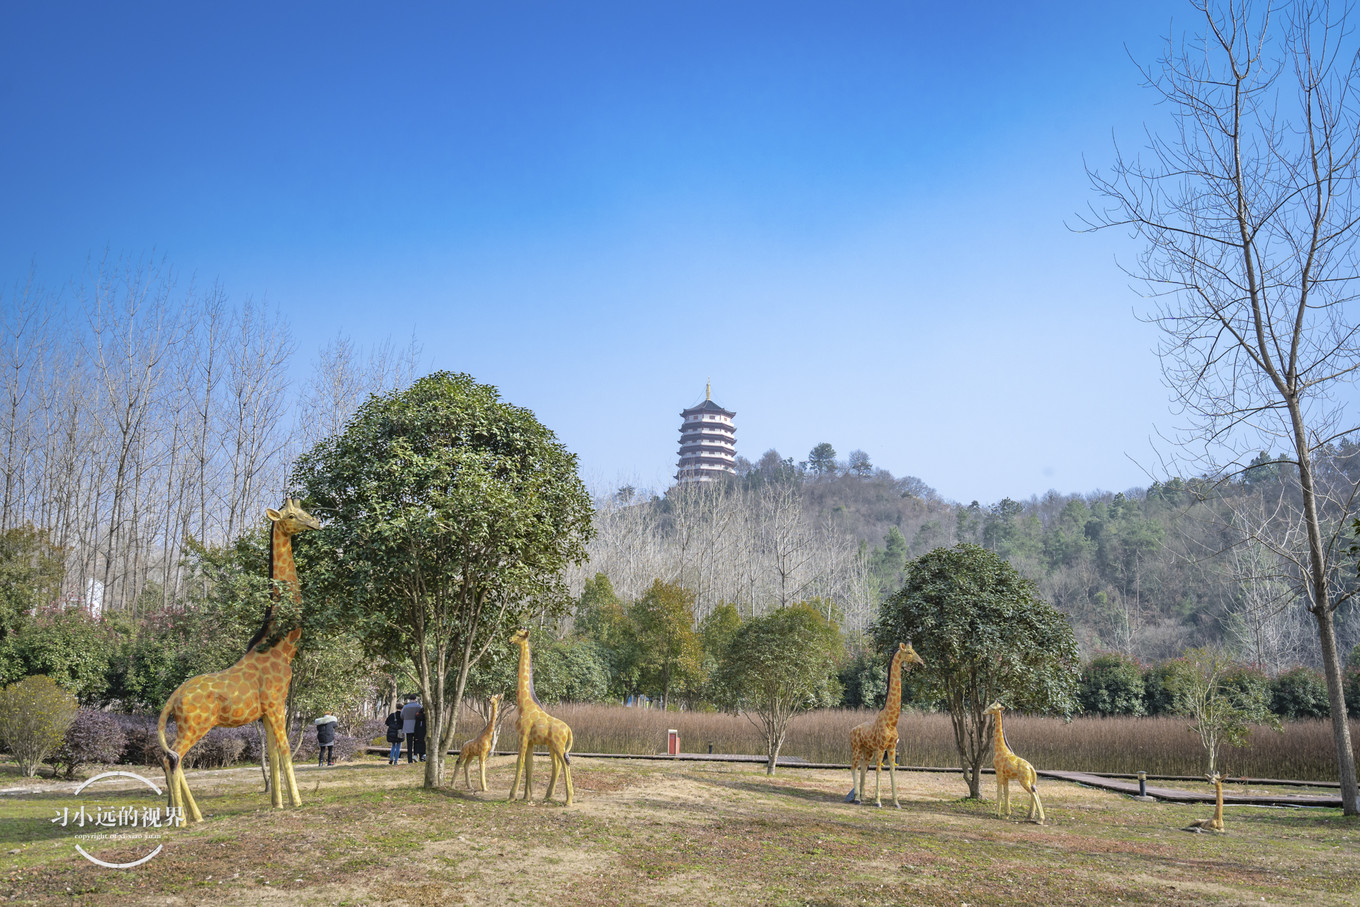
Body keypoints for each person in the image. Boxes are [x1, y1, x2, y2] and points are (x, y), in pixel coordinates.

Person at [400, 695, 422, 764]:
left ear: (409, 699)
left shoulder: (405, 707)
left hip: (407, 727)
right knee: (416, 742)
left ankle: (409, 760)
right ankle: (415, 755)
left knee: (409, 744)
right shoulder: (419, 707)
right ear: (415, 699)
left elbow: (402, 716)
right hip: (416, 727)